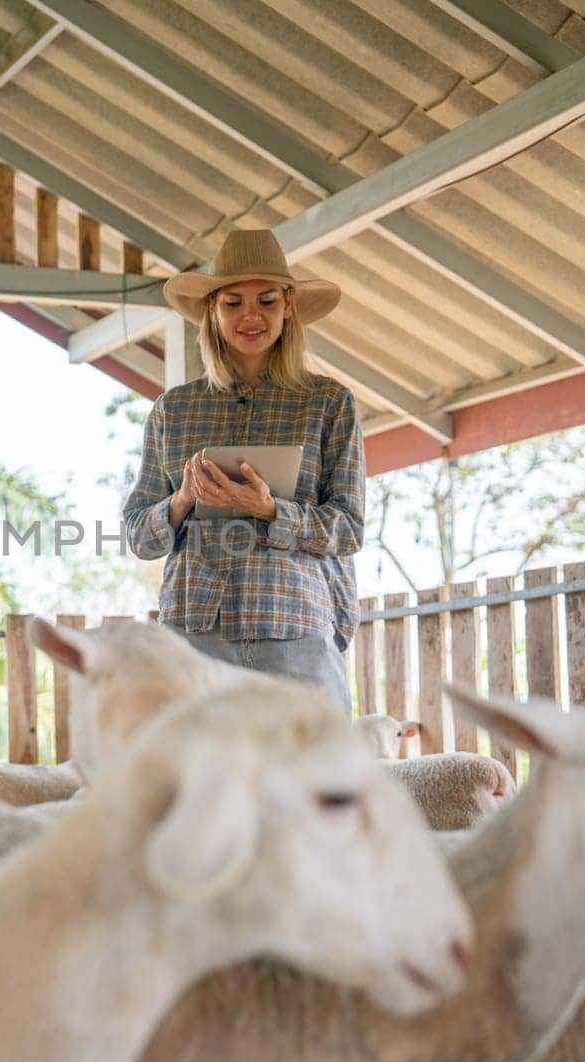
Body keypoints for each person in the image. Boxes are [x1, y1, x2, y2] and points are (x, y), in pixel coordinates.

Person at [122, 229, 363, 711]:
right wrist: (183, 499)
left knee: (310, 782)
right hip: (196, 635)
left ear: (288, 305)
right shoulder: (174, 410)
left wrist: (271, 509)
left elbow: (349, 529)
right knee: (202, 782)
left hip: (296, 626)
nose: (250, 316)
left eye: (266, 301)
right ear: (212, 309)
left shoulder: (329, 403)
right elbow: (139, 536)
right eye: (233, 302)